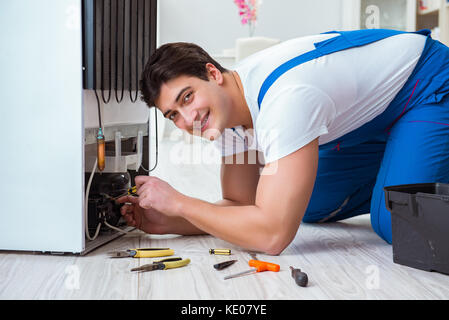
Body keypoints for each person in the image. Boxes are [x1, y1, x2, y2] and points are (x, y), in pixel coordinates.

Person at [117, 28, 449, 255]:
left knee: (400, 221)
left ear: (213, 74)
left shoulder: (285, 99)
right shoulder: (227, 111)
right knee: (312, 201)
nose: (187, 120)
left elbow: (272, 235)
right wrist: (173, 221)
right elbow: (243, 204)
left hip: (426, 84)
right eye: (173, 115)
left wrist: (180, 203)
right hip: (375, 114)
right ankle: (405, 160)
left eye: (186, 98)